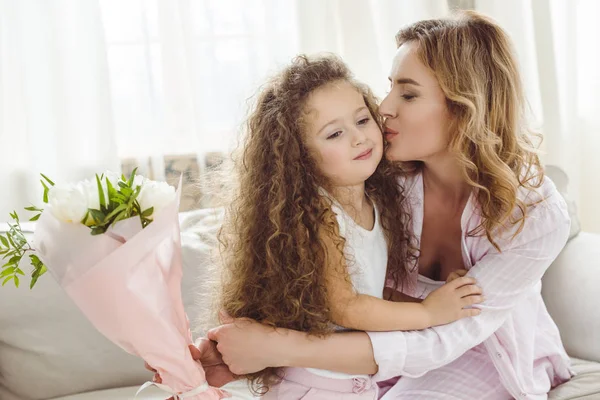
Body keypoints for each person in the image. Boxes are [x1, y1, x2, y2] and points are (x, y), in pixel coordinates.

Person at [202, 10, 573, 400]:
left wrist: (276, 347)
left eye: (408, 94)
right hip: (372, 349)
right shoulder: (377, 176)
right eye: (390, 87)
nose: (383, 108)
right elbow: (308, 272)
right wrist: (238, 347)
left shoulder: (536, 216)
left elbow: (444, 338)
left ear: (467, 107)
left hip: (481, 354)